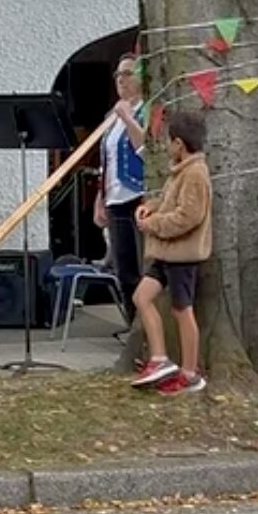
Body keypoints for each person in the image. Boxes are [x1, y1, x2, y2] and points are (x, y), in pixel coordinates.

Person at [127, 110, 211, 395]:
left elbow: (188, 216)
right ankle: (160, 358)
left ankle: (189, 374)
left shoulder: (196, 173)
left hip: (182, 256)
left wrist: (151, 225)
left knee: (182, 310)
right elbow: (167, 201)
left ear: (178, 143)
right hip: (165, 254)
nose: (165, 146)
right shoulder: (179, 172)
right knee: (142, 297)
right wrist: (150, 206)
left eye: (168, 141)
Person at [93, 55, 148, 327]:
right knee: (124, 270)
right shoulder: (110, 117)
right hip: (114, 198)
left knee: (142, 268)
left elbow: (147, 151)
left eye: (127, 74)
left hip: (138, 195)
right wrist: (100, 197)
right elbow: (107, 161)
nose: (121, 80)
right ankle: (132, 325)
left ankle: (148, 330)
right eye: (118, 74)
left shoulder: (147, 111)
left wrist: (128, 118)